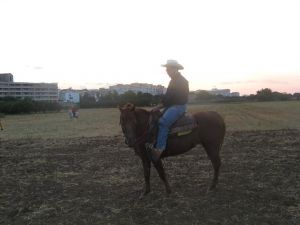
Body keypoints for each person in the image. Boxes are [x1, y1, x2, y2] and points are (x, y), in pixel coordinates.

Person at [150, 59, 189, 161]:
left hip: (178, 106)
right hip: (172, 106)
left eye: (169, 69)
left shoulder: (181, 81)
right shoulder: (173, 80)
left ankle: (159, 149)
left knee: (163, 123)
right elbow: (168, 96)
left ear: (175, 69)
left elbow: (172, 97)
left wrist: (159, 106)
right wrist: (161, 104)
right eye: (166, 69)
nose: (167, 71)